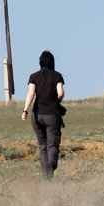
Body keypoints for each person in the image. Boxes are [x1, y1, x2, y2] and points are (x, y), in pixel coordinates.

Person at [22, 50, 65, 179]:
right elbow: (61, 93)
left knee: (42, 145)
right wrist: (57, 101)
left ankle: (46, 176)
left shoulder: (34, 76)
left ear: (40, 62)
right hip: (52, 115)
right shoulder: (57, 76)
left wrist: (25, 110)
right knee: (52, 144)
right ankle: (51, 164)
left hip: (37, 114)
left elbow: (31, 94)